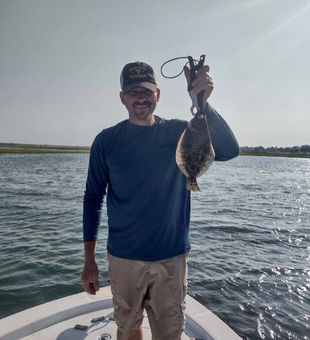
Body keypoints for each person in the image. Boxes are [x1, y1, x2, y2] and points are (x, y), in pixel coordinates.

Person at [81, 61, 239, 340]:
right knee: (127, 329)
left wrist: (202, 104)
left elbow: (228, 149)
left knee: (169, 334)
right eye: (133, 92)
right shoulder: (106, 141)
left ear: (158, 95)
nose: (140, 98)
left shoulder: (179, 131)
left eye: (147, 91)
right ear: (122, 97)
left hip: (172, 257)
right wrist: (89, 260)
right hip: (123, 258)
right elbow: (93, 199)